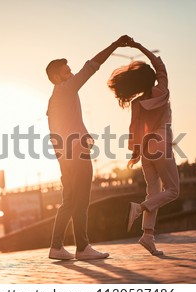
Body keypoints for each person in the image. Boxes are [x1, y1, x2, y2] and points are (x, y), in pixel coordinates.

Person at [46, 35, 133, 260]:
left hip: (67, 156)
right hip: (76, 155)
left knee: (70, 201)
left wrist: (62, 154)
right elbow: (91, 66)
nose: (72, 74)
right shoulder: (65, 89)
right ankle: (82, 248)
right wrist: (114, 45)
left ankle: (57, 247)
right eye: (67, 72)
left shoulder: (55, 98)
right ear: (57, 77)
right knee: (81, 201)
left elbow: (54, 132)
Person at [107, 39, 180, 256]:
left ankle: (148, 236)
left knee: (154, 191)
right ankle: (139, 208)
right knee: (173, 191)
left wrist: (135, 152)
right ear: (152, 79)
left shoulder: (136, 103)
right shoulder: (162, 91)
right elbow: (159, 65)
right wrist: (139, 47)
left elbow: (134, 128)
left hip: (146, 148)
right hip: (160, 144)